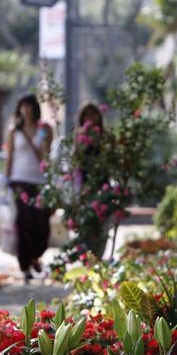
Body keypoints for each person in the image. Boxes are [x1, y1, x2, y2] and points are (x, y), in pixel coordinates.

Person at [3, 94, 53, 281]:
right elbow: (10, 156)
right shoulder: (14, 131)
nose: (26, 110)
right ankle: (25, 264)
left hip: (40, 181)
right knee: (23, 222)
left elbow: (47, 156)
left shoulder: (43, 129)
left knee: (41, 223)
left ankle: (36, 255)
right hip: (19, 180)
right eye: (23, 106)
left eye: (29, 106)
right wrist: (5, 180)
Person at [72, 102, 109, 257]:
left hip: (103, 187)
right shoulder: (78, 137)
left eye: (93, 115)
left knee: (101, 226)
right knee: (85, 226)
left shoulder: (105, 137)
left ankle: (98, 257)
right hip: (84, 187)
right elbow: (73, 161)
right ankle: (86, 257)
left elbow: (110, 160)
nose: (90, 119)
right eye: (87, 116)